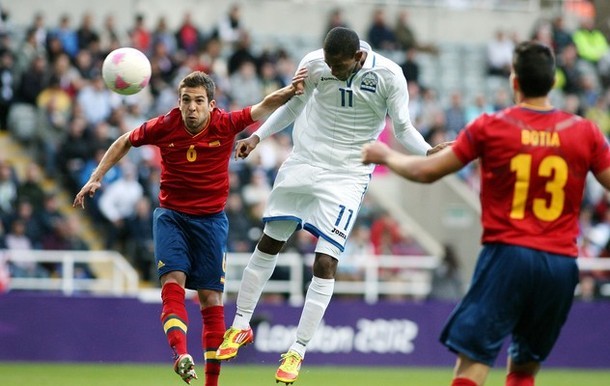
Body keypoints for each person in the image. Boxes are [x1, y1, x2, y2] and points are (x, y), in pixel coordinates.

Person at [361, 41, 610, 386]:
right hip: (561, 265)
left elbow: (426, 172)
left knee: (472, 366)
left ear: (514, 81)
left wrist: (386, 156)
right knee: (524, 368)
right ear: (553, 82)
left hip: (508, 256)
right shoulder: (586, 132)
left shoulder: (492, 126)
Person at [216, 27, 448, 384]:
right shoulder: (315, 64)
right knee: (270, 242)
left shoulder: (388, 76)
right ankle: (241, 324)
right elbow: (294, 104)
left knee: (325, 260)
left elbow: (402, 129)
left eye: (338, 65)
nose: (331, 70)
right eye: (328, 63)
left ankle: (297, 350)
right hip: (304, 160)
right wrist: (258, 135)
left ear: (357, 58)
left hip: (347, 174)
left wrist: (428, 152)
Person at [73, 68, 307, 385]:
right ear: (179, 102)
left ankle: (211, 382)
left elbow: (263, 106)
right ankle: (181, 354)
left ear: (211, 104)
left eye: (198, 101)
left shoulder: (225, 123)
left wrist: (292, 90)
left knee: (211, 299)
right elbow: (125, 140)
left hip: (211, 222)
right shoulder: (165, 125)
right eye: (186, 100)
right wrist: (95, 177)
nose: (192, 108)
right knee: (172, 281)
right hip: (172, 216)